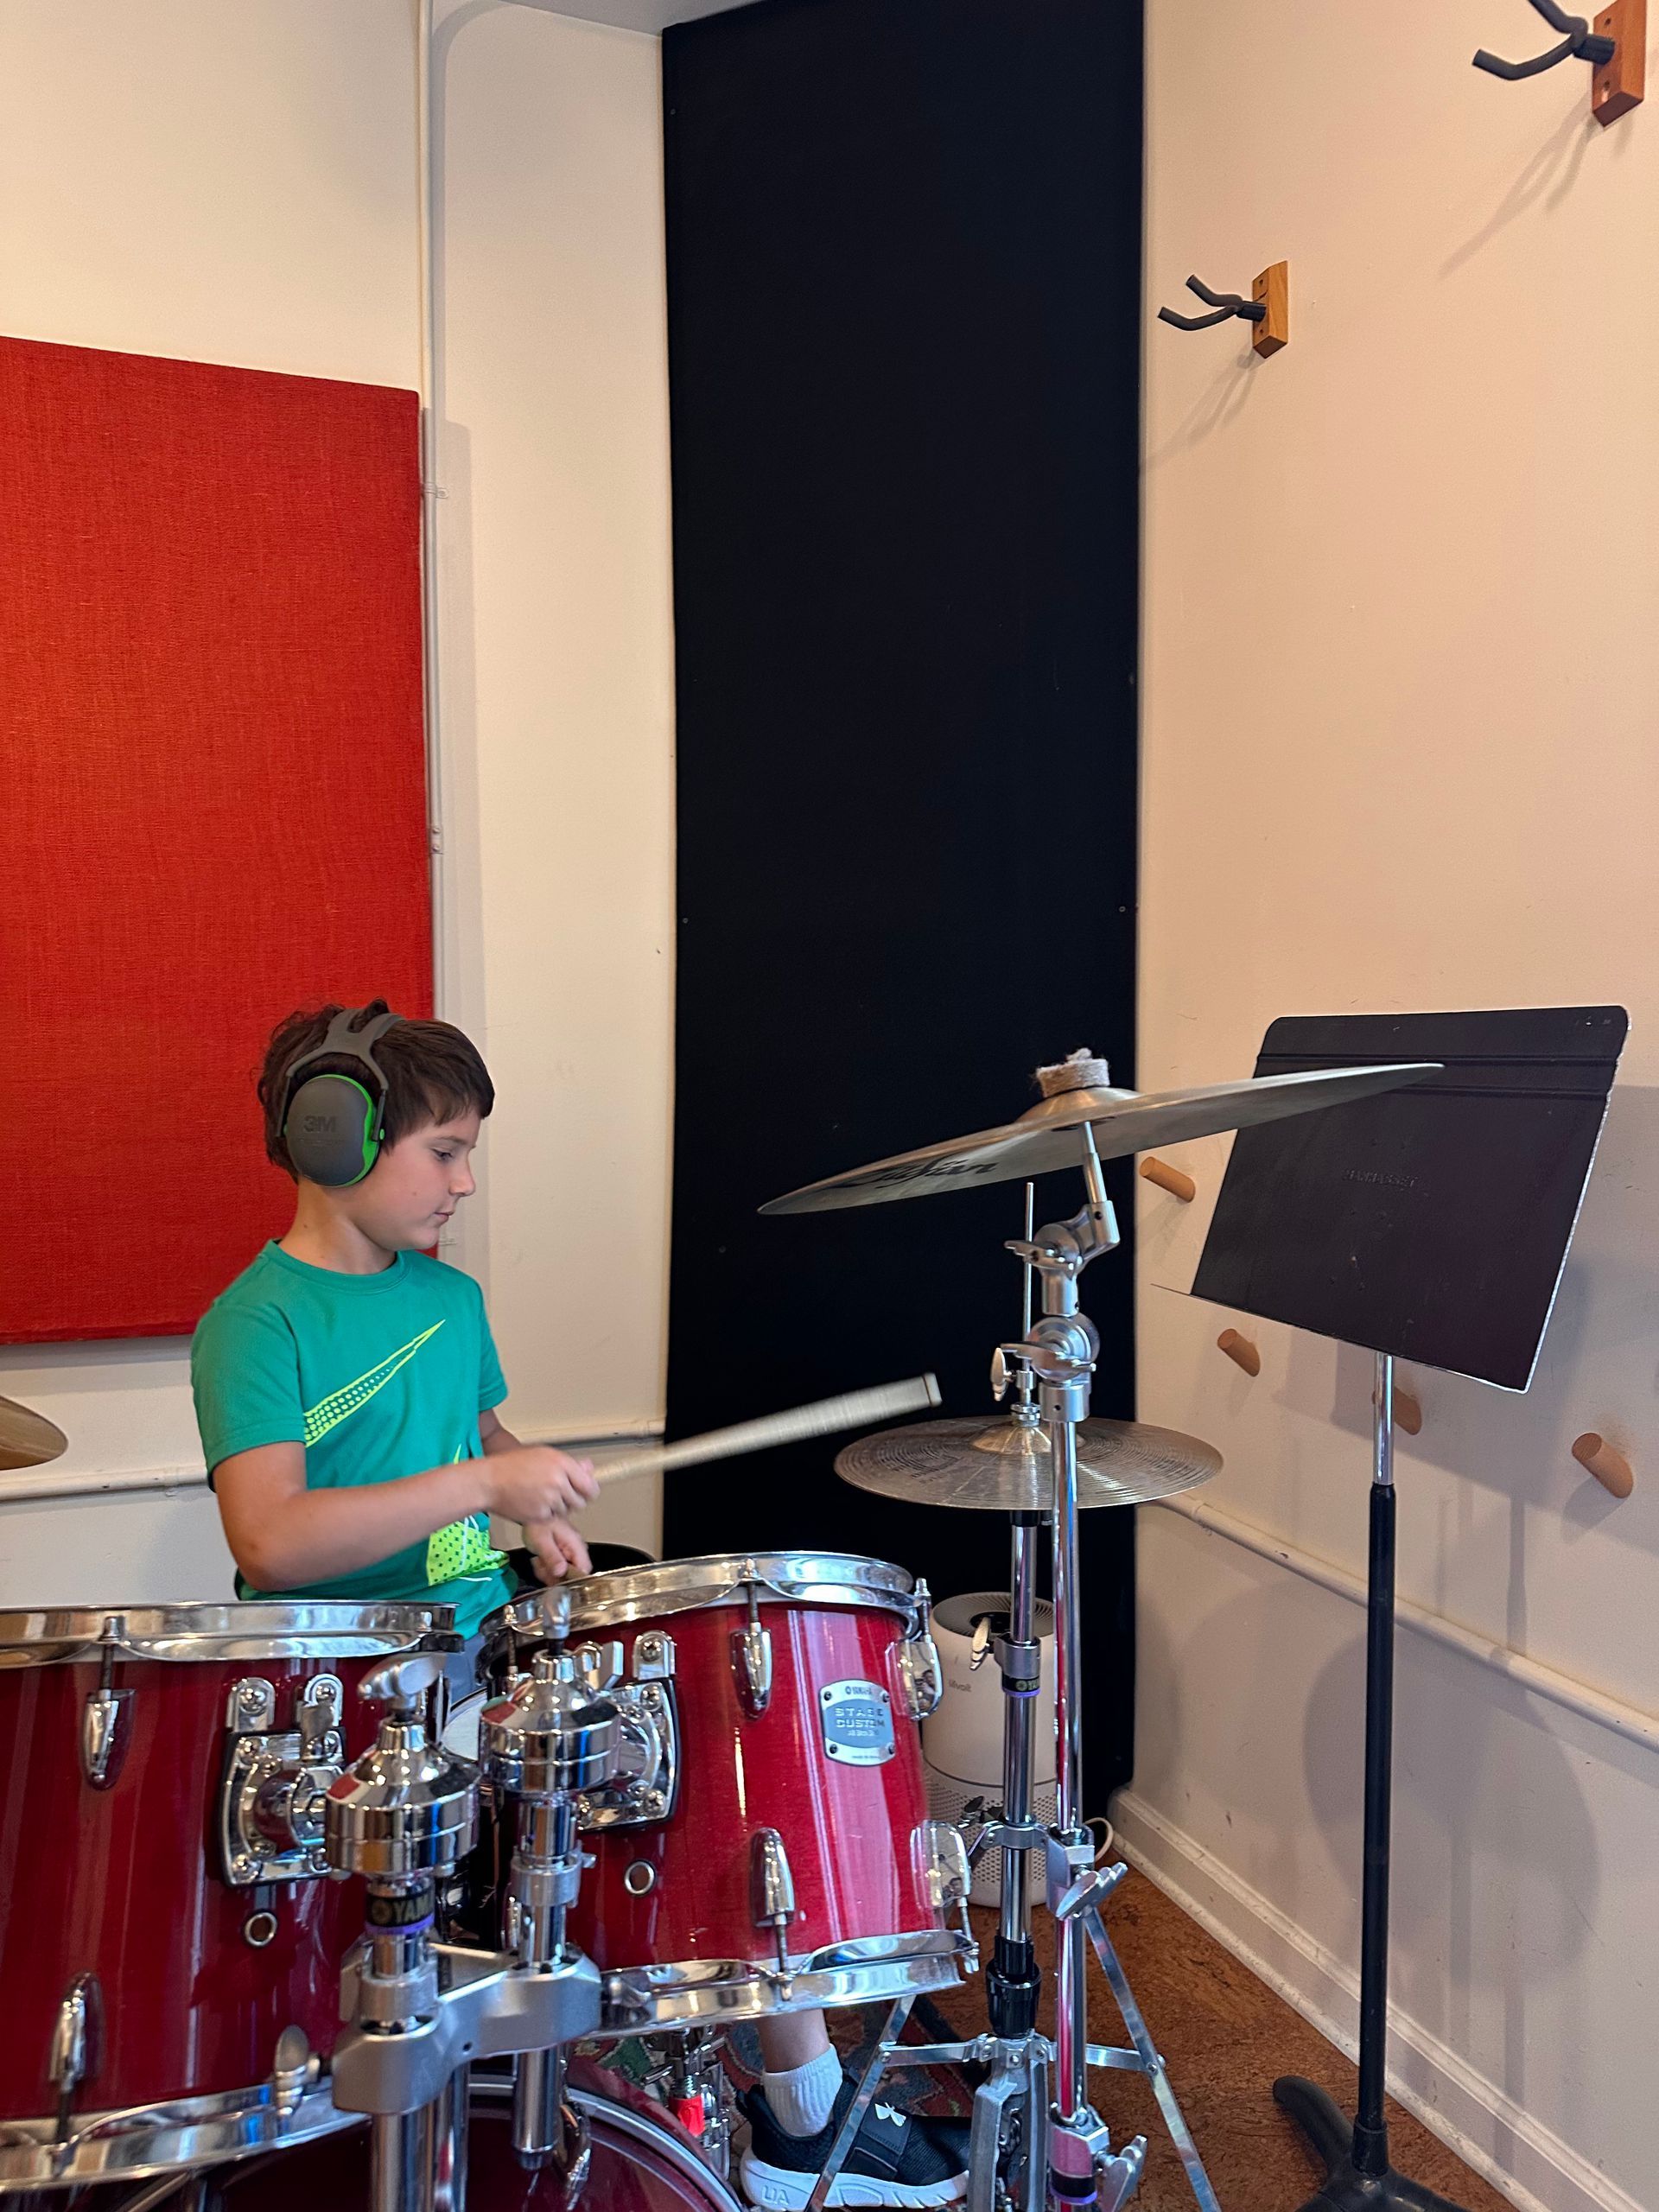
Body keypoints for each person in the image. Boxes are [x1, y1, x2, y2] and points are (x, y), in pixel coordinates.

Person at [191, 1001, 969, 2209]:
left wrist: (528, 1505)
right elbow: (274, 1539)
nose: (464, 1182)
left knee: (704, 1749)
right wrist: (481, 1481)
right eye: (445, 1152)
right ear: (336, 1139)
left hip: (480, 1651)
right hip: (341, 1704)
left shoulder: (444, 1302)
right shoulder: (256, 1323)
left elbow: (476, 1446)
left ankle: (798, 2116)